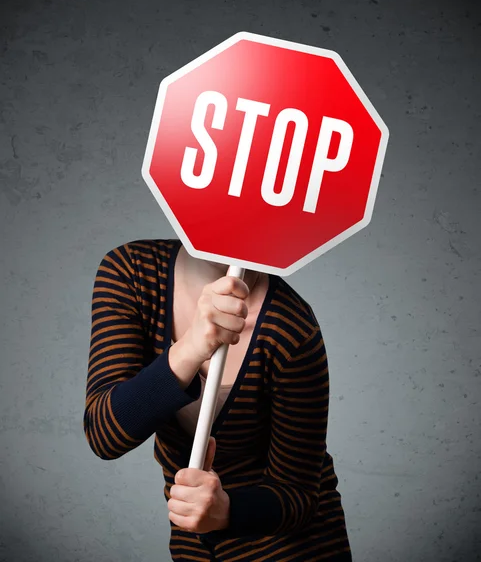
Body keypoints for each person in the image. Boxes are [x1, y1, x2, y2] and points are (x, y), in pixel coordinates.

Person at [83, 238, 352, 561]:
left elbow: (298, 496)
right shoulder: (133, 272)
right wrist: (192, 347)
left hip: (293, 550)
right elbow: (104, 435)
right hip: (194, 547)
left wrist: (226, 511)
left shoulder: (292, 328)